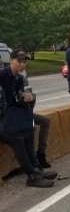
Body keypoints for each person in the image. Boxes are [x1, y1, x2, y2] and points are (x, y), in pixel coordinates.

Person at [0, 49, 57, 188]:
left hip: (11, 115)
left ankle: (36, 168)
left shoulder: (18, 78)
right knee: (17, 137)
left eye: (24, 62)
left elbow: (17, 100)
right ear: (11, 61)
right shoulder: (2, 76)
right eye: (19, 61)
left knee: (28, 130)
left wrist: (28, 97)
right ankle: (32, 176)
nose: (22, 65)